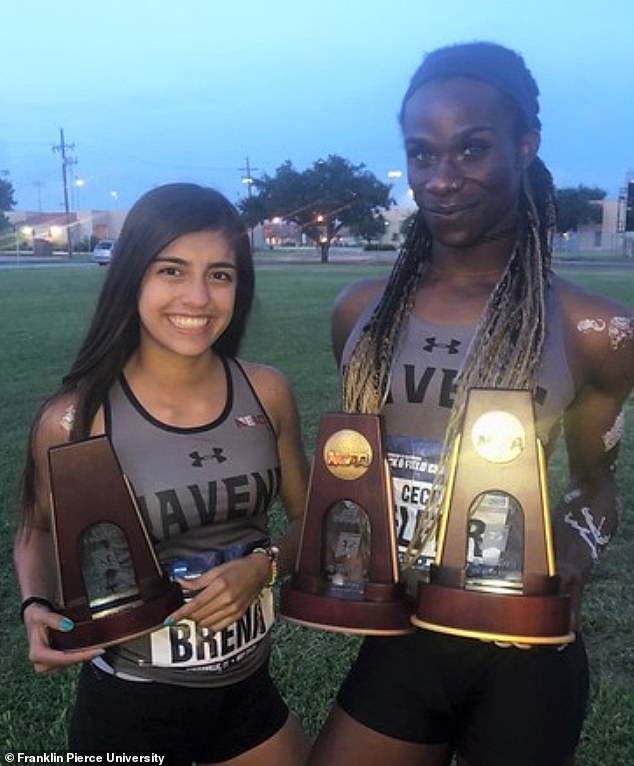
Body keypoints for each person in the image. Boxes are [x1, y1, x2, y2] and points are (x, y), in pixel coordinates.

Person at [308, 42, 634, 766]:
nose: (443, 179)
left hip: (522, 649)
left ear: (526, 146)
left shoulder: (594, 330)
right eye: (422, 155)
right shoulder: (359, 313)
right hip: (407, 636)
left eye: (473, 149)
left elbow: (595, 486)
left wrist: (571, 564)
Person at [14, 183, 310, 766]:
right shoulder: (75, 418)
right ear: (132, 277)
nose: (197, 297)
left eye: (220, 274)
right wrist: (34, 606)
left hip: (248, 696)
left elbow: (310, 517)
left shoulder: (267, 392)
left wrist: (264, 566)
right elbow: (37, 527)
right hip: (130, 709)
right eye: (172, 270)